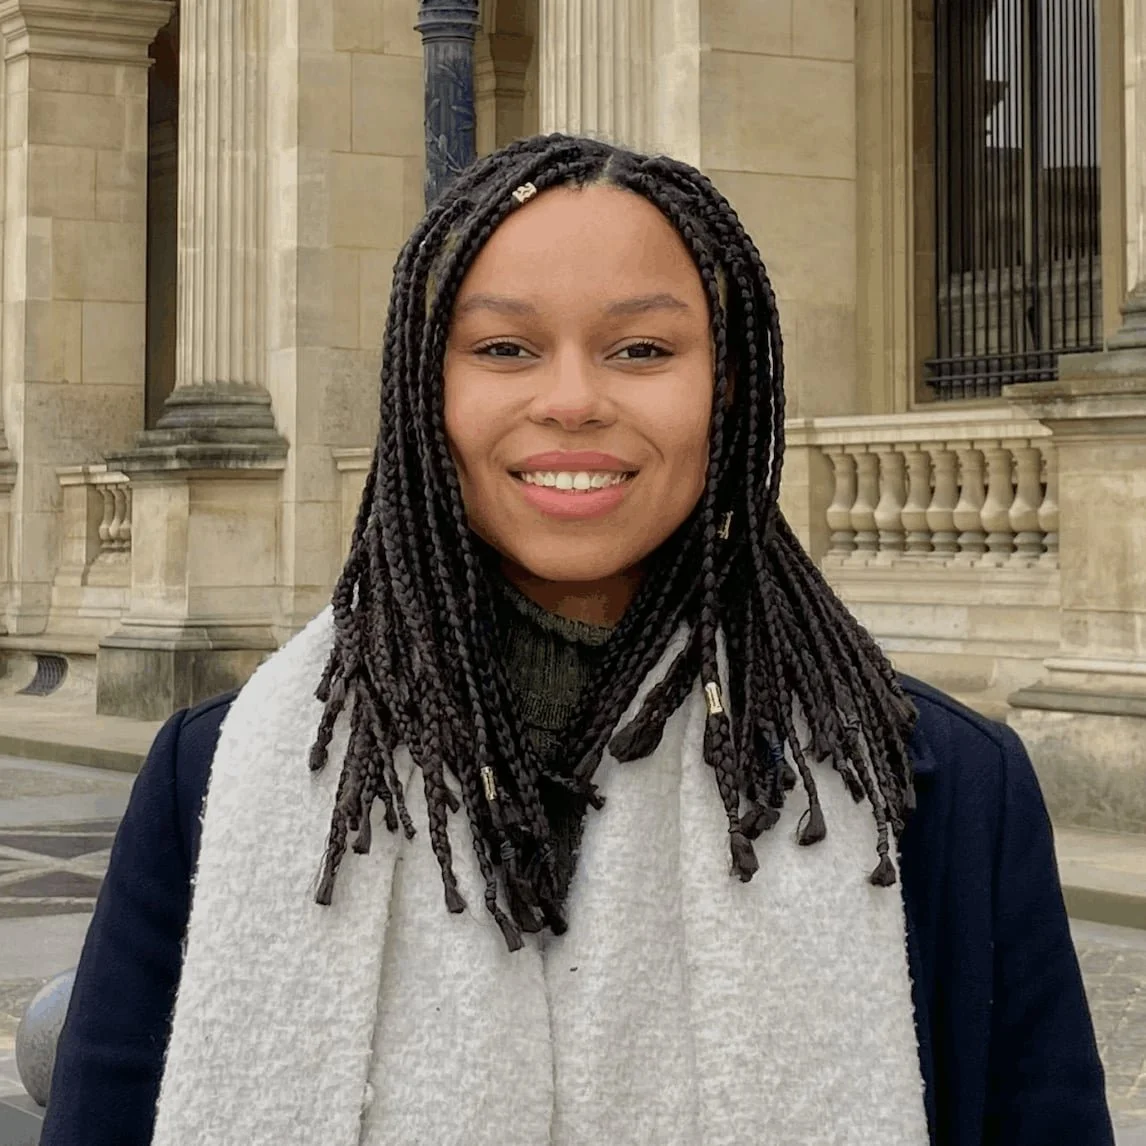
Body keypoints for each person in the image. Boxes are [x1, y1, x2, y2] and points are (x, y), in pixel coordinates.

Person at [41, 134, 1113, 1146]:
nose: (571, 400)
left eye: (642, 349)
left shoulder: (938, 794)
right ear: (429, 391)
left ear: (725, 390)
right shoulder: (218, 776)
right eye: (504, 347)